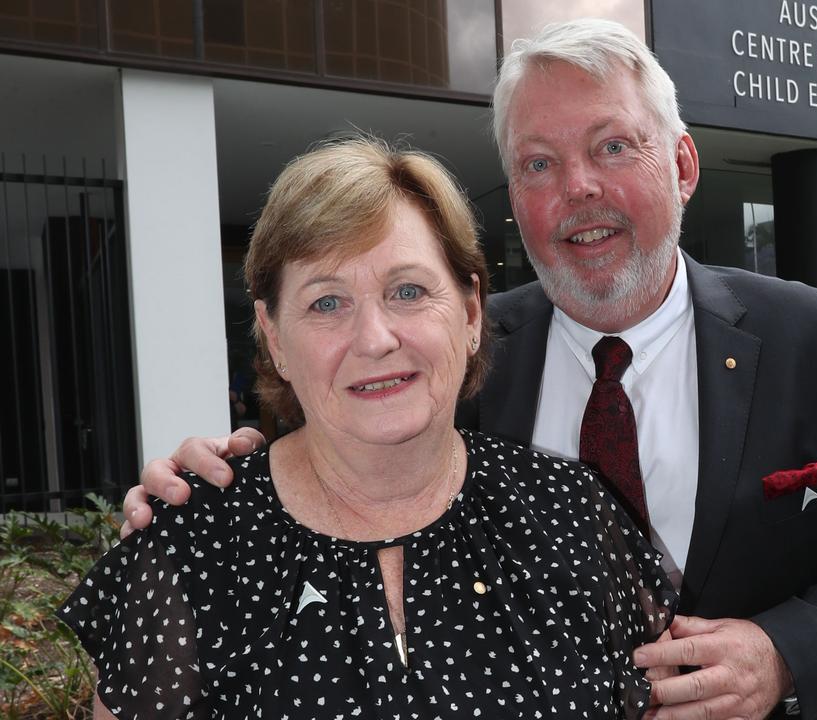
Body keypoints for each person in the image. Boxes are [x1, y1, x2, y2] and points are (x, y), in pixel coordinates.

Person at [125, 19, 817, 720]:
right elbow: (344, 478)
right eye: (537, 163)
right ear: (513, 195)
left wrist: (783, 653)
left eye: (612, 146)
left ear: (683, 165)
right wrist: (207, 498)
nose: (578, 188)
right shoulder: (448, 359)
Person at [61, 137, 676, 719]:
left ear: (468, 313)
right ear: (274, 336)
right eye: (327, 303)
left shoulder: (571, 513)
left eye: (407, 290)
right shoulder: (193, 544)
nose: (376, 340)